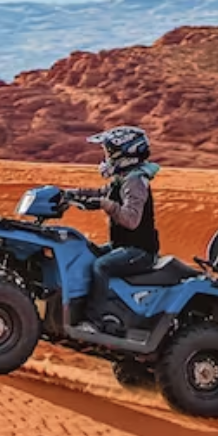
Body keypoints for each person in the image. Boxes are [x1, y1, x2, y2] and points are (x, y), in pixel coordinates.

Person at [70, 125, 161, 333]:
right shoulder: (123, 178)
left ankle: (94, 321)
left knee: (101, 266)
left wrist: (106, 205)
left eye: (109, 152)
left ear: (125, 152)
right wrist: (71, 194)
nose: (106, 157)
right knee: (86, 252)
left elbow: (131, 220)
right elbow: (101, 192)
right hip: (122, 245)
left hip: (140, 251)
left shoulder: (136, 181)